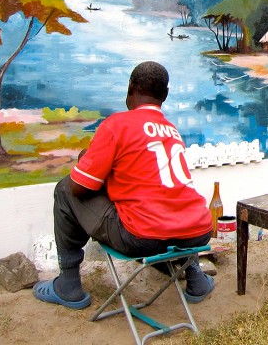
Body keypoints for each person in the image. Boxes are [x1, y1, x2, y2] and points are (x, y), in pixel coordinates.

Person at [33, 61, 215, 309]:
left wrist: (88, 165)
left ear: (130, 87)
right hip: (197, 232)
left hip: (143, 237)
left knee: (65, 188)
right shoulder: (171, 130)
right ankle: (196, 278)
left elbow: (79, 189)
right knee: (172, 201)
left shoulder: (117, 124)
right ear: (165, 95)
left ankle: (68, 284)